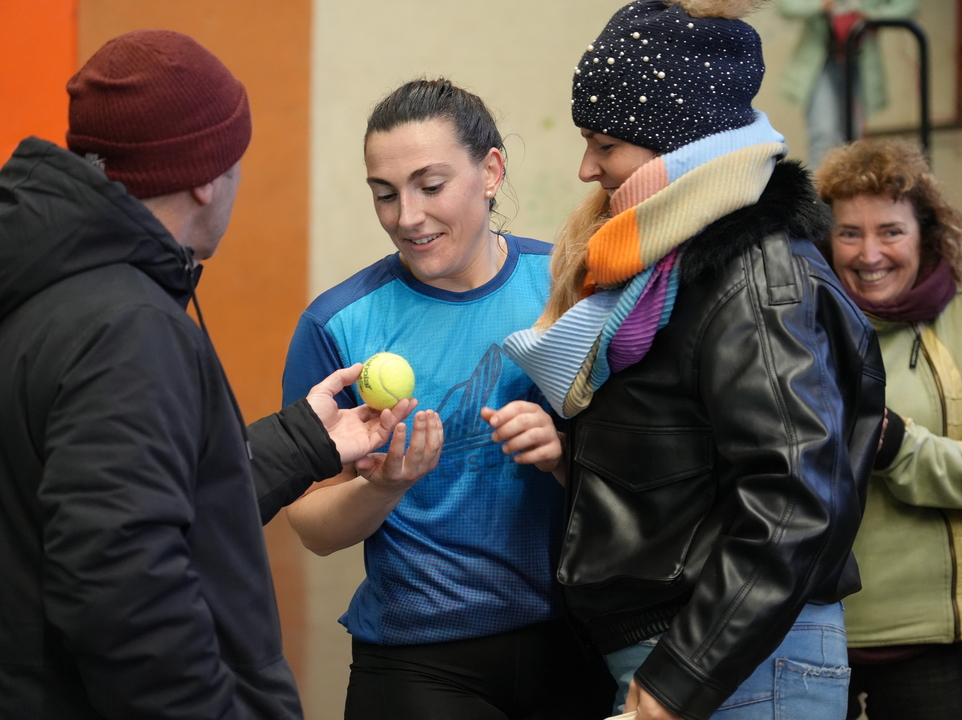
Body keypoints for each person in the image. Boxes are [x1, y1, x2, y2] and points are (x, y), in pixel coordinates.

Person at [0, 29, 418, 720]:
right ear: (203, 177)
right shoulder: (126, 328)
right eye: (235, 162)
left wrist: (303, 440)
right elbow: (124, 591)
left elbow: (147, 497)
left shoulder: (51, 286)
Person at [502, 2, 887, 719]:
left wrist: (681, 677)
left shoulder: (758, 273)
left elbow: (793, 499)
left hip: (735, 662)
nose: (587, 167)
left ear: (679, 146)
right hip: (700, 654)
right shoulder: (672, 270)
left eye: (606, 144)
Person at [280, 78, 614, 720]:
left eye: (430, 186)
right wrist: (384, 487)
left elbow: (652, 475)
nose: (407, 217)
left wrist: (565, 455)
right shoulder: (336, 325)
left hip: (579, 638)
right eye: (385, 194)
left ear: (491, 172)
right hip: (416, 660)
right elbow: (313, 528)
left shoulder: (573, 289)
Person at [814, 138, 962, 720]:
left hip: (927, 636)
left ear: (925, 234)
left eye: (891, 231)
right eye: (849, 233)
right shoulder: (795, 324)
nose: (870, 254)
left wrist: (895, 444)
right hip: (810, 625)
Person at [776, 0, 917, 170]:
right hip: (822, 64)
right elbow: (787, 6)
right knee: (824, 133)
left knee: (854, 137)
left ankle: (851, 184)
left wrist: (873, 17)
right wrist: (822, 5)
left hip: (859, 61)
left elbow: (908, 6)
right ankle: (821, 186)